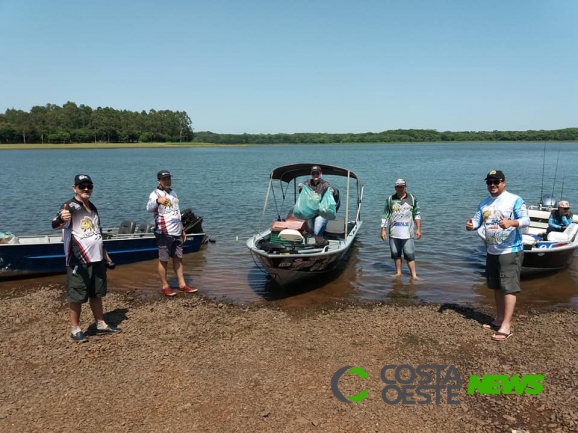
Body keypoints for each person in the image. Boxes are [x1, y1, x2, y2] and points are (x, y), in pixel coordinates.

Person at [52, 174, 121, 342]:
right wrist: (62, 218)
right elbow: (55, 223)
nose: (85, 189)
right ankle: (75, 329)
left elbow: (97, 232)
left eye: (88, 186)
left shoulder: (93, 207)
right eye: (81, 186)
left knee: (96, 293)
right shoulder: (70, 206)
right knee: (77, 295)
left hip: (97, 258)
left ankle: (100, 324)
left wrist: (105, 254)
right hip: (79, 260)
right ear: (74, 188)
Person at [466, 170, 530, 342]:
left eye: (496, 181)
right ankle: (499, 319)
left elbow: (526, 220)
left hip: (510, 250)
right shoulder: (484, 203)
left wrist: (511, 222)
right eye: (489, 182)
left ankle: (506, 326)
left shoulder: (514, 200)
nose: (492, 185)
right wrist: (470, 225)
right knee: (496, 286)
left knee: (508, 287)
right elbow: (477, 222)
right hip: (491, 250)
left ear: (504, 182)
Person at [146, 170, 197, 296]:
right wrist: (158, 201)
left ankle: (182, 284)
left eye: (168, 179)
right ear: (159, 181)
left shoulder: (173, 193)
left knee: (178, 258)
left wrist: (182, 229)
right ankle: (165, 286)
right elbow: (148, 208)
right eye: (164, 179)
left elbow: (177, 212)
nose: (167, 181)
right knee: (164, 259)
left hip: (177, 231)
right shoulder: (155, 194)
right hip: (164, 232)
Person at [380, 178, 422, 280]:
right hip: (394, 233)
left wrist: (418, 229)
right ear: (395, 188)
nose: (400, 188)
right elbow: (385, 215)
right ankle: (398, 273)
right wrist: (383, 230)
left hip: (408, 234)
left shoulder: (412, 198)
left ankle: (414, 275)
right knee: (395, 254)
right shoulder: (390, 199)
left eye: (402, 186)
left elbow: (417, 214)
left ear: (405, 187)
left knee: (409, 254)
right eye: (398, 186)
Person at [299, 165, 339, 243]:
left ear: (321, 174)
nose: (315, 175)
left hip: (322, 212)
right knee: (314, 232)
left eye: (317, 173)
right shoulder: (307, 183)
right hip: (311, 212)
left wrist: (333, 192)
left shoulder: (325, 184)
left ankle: (323, 245)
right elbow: (303, 196)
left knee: (317, 232)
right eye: (313, 174)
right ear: (311, 174)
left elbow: (334, 196)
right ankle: (319, 245)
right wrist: (301, 188)